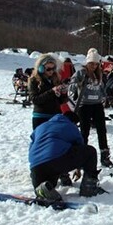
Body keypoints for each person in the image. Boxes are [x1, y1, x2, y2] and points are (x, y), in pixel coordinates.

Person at [29, 105, 106, 200]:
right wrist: (78, 168)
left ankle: (42, 188)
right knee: (90, 151)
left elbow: (32, 145)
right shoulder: (70, 126)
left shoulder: (41, 127)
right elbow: (80, 146)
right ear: (73, 122)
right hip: (55, 160)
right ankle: (89, 187)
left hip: (36, 166)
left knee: (49, 185)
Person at [28, 53, 72, 186]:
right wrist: (52, 92)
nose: (51, 71)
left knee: (58, 143)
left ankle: (62, 172)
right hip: (41, 116)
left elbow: (61, 101)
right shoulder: (34, 80)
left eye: (53, 68)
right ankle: (36, 170)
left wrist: (63, 93)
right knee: (39, 144)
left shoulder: (55, 78)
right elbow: (35, 100)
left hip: (55, 116)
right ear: (41, 68)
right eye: (48, 69)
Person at [68, 48, 113, 168]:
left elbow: (102, 87)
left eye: (96, 64)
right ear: (87, 63)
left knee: (101, 130)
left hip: (97, 105)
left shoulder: (99, 74)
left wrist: (104, 97)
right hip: (84, 105)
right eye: (91, 63)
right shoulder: (81, 73)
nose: (93, 66)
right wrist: (78, 86)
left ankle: (104, 155)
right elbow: (70, 87)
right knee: (84, 131)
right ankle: (82, 156)